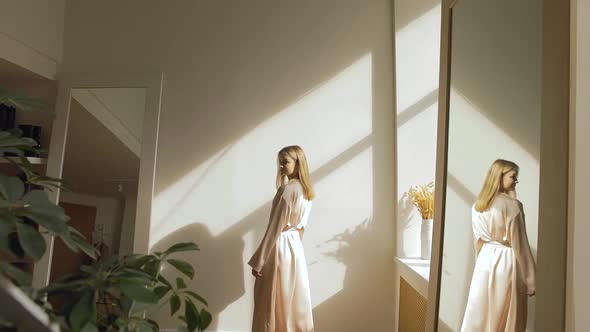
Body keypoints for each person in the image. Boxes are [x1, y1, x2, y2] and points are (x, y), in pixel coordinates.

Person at [461, 159, 536, 332]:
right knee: (505, 314)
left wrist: (479, 264)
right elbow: (520, 245)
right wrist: (531, 280)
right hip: (506, 262)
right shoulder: (512, 206)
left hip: (484, 261)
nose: (516, 181)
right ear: (500, 175)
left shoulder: (478, 206)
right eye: (513, 176)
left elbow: (478, 241)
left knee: (481, 312)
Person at [248, 145, 315, 332]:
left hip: (279, 247)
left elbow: (275, 227)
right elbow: (301, 228)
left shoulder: (288, 190)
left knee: (269, 301)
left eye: (285, 162)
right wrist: (295, 251)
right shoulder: (307, 191)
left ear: (298, 163)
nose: (281, 167)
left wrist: (259, 261)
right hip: (295, 250)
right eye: (279, 163)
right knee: (293, 300)